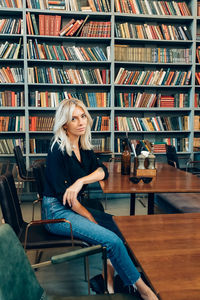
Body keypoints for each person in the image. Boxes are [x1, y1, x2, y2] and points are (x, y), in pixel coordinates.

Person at [42, 98, 158, 300]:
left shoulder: (83, 146)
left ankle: (109, 283)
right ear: (64, 124)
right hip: (57, 212)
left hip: (73, 206)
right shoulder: (57, 150)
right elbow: (66, 200)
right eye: (74, 119)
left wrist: (80, 182)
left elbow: (102, 171)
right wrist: (92, 220)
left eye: (83, 116)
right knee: (111, 239)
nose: (81, 122)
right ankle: (144, 291)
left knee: (119, 226)